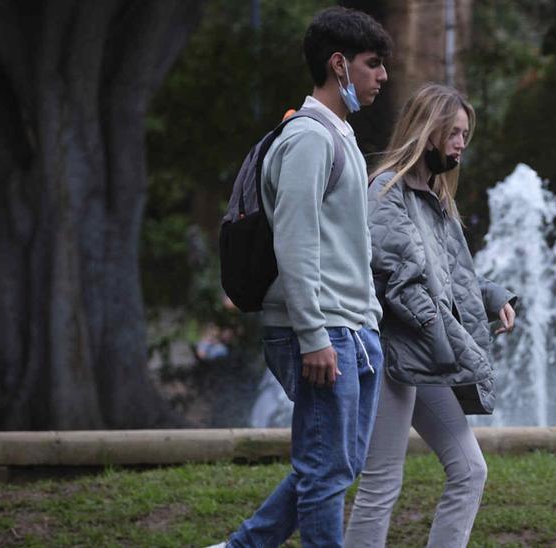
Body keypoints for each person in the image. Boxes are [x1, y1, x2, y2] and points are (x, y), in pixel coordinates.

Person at [215, 7, 392, 547]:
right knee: (325, 473)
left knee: (337, 466)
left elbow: (346, 243)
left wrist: (370, 317)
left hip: (354, 325)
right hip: (322, 330)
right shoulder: (309, 139)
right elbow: (294, 243)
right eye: (372, 64)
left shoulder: (339, 138)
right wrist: (313, 334)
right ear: (339, 65)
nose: (382, 76)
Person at [345, 84, 517, 548]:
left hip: (425, 351)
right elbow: (402, 281)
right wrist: (449, 339)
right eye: (455, 133)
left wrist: (492, 295)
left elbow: (449, 279)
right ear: (430, 131)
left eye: (465, 134)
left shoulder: (436, 197)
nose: (462, 143)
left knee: (469, 469)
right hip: (391, 353)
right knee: (382, 481)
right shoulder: (386, 189)